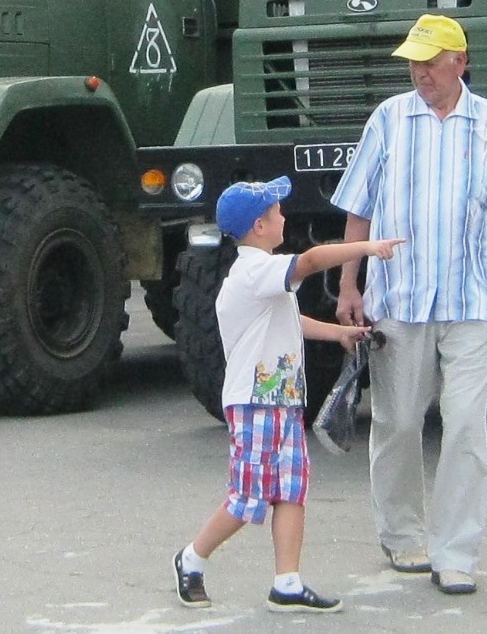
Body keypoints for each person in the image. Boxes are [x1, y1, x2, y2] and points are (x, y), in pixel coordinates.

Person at [331, 14, 487, 597]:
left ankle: (457, 553)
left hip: (474, 299)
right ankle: (403, 536)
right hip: (400, 297)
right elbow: (359, 207)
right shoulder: (389, 120)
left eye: (430, 62)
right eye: (413, 63)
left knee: (467, 425)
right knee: (397, 422)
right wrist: (350, 284)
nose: (420, 73)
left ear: (460, 62)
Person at [173, 177, 403, 612]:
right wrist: (366, 247)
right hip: (254, 403)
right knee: (247, 498)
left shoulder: (266, 279)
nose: (284, 217)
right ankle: (192, 557)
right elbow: (314, 259)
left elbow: (290, 324)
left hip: (282, 400)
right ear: (260, 226)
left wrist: (341, 334)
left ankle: (288, 581)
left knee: (291, 490)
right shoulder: (255, 271)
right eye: (277, 212)